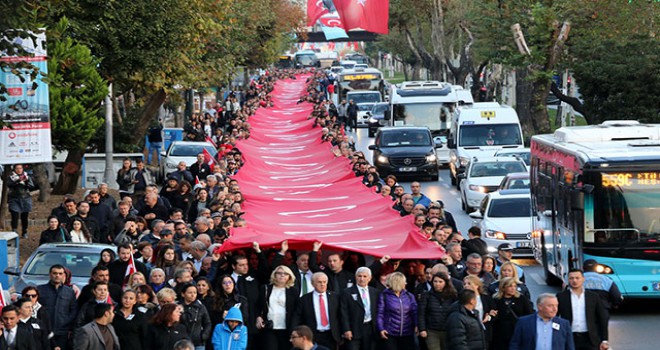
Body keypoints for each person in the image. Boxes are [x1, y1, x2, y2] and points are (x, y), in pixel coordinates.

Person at [557, 269, 609, 350]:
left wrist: (604, 340)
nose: (574, 281)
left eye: (577, 278)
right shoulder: (561, 297)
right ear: (568, 280)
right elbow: (555, 317)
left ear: (583, 279)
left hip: (590, 338)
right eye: (571, 278)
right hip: (569, 337)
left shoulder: (593, 296)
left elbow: (602, 318)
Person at [293, 272, 341, 350]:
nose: (322, 284)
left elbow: (340, 315)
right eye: (319, 282)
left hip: (331, 335)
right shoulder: (304, 299)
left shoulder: (335, 297)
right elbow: (297, 317)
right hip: (313, 335)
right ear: (313, 283)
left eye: (324, 282)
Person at [510, 293, 575, 350]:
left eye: (556, 305)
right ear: (540, 307)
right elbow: (515, 343)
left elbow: (569, 346)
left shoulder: (564, 324)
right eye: (550, 306)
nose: (555, 309)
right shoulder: (524, 322)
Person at [256, 266, 299, 350]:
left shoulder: (293, 291)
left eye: (285, 273)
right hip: (270, 327)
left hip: (286, 328)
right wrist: (258, 317)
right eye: (279, 273)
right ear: (274, 275)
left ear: (289, 276)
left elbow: (296, 310)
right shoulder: (265, 288)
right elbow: (258, 306)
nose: (282, 275)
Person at [37, 264, 78, 349]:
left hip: (62, 332)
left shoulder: (69, 292)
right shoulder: (40, 290)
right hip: (44, 331)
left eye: (60, 273)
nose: (57, 276)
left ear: (64, 275)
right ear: (50, 274)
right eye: (55, 273)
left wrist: (66, 322)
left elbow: (73, 310)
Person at [340, 267, 379, 350]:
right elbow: (343, 312)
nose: (362, 279)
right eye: (359, 276)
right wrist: (346, 329)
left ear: (370, 278)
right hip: (353, 329)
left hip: (370, 329)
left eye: (365, 276)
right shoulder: (347, 292)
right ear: (355, 277)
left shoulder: (375, 292)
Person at [376, 272, 417, 350]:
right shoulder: (384, 295)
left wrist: (416, 325)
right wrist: (381, 328)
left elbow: (414, 312)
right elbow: (380, 314)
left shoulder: (409, 296)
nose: (406, 283)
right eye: (404, 281)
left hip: (407, 333)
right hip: (390, 333)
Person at [490, 277, 534, 350]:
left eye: (514, 286)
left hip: (517, 332)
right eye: (510, 286)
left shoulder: (521, 299)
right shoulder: (496, 300)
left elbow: (529, 314)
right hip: (500, 334)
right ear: (503, 288)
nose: (513, 288)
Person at [418, 273, 458, 350]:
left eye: (440, 282)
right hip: (431, 330)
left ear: (445, 283)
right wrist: (422, 329)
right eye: (435, 281)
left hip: (447, 330)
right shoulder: (426, 295)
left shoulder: (452, 296)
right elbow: (421, 313)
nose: (437, 284)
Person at [179, 283, 212, 350]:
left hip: (198, 341)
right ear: (183, 294)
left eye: (195, 292)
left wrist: (204, 336)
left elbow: (207, 323)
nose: (193, 295)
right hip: (182, 341)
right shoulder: (178, 307)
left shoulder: (201, 307)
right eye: (190, 292)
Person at [7, 164, 35, 239]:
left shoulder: (27, 176)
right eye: (17, 168)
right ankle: (14, 231)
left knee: (24, 217)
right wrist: (18, 181)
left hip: (25, 198)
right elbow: (9, 185)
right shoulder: (11, 177)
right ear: (14, 169)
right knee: (14, 215)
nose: (19, 170)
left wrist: (25, 182)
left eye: (20, 168)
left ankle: (24, 231)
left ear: (23, 169)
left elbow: (32, 186)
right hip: (14, 198)